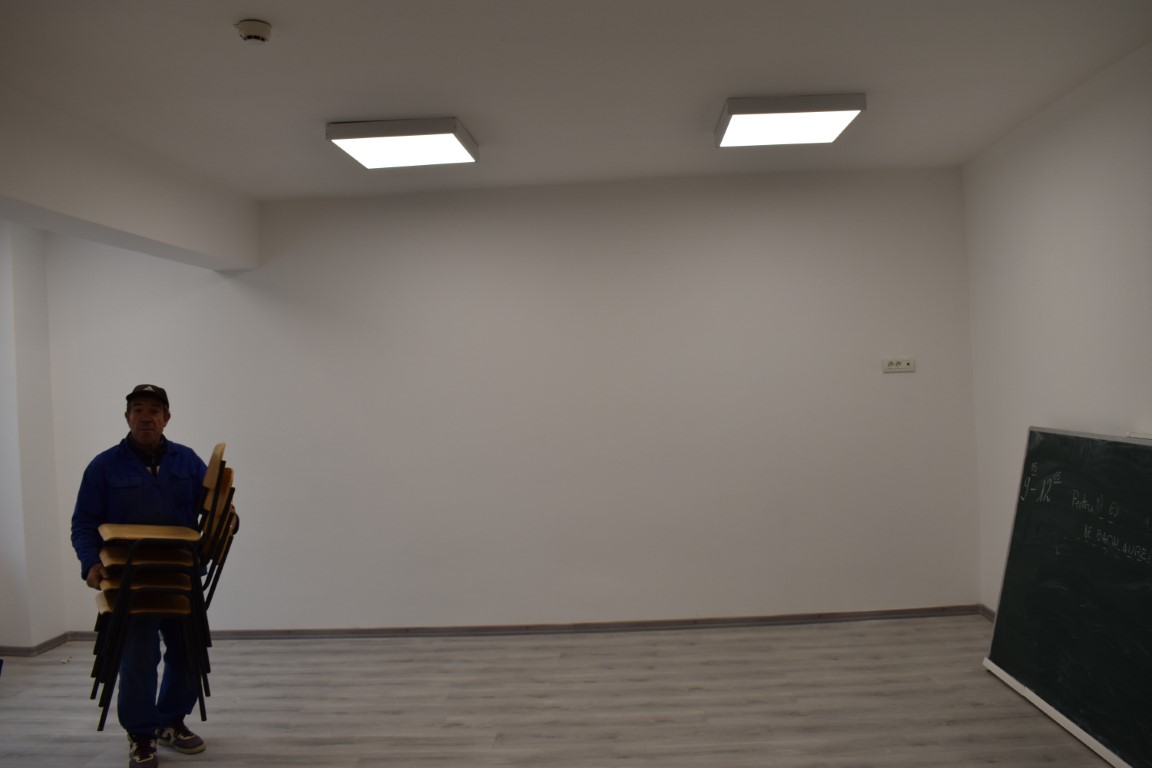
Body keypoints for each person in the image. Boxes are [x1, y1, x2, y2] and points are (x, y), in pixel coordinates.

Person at [71, 384, 209, 768]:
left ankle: (170, 721)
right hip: (131, 580)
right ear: (127, 416)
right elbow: (83, 522)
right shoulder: (104, 466)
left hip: (180, 575)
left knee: (188, 653)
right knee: (138, 656)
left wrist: (227, 521)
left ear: (166, 418)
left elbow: (212, 508)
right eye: (138, 409)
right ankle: (141, 733)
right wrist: (90, 563)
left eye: (154, 410)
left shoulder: (188, 461)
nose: (146, 416)